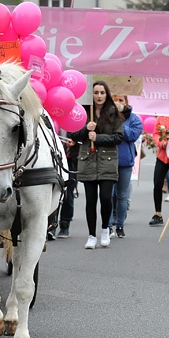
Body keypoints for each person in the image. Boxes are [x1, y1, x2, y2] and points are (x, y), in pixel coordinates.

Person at [70, 81, 123, 249]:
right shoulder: (84, 113)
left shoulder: (114, 114)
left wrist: (98, 138)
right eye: (96, 93)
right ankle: (92, 235)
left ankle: (105, 228)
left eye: (102, 92)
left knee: (106, 198)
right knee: (91, 201)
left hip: (107, 162)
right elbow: (74, 134)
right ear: (91, 95)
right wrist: (86, 129)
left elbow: (118, 138)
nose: (99, 96)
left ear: (106, 94)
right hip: (88, 160)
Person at [111, 94, 143, 238]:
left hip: (124, 162)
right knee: (109, 195)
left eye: (120, 100)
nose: (117, 103)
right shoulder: (107, 116)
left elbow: (132, 136)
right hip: (108, 161)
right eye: (114, 100)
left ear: (126, 102)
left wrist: (120, 123)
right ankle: (109, 223)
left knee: (121, 195)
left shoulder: (133, 118)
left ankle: (120, 225)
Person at [57, 131, 80, 238]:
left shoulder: (76, 116)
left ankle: (65, 224)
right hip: (54, 158)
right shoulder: (50, 117)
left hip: (71, 160)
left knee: (68, 194)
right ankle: (51, 224)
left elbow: (83, 135)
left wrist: (75, 140)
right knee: (52, 191)